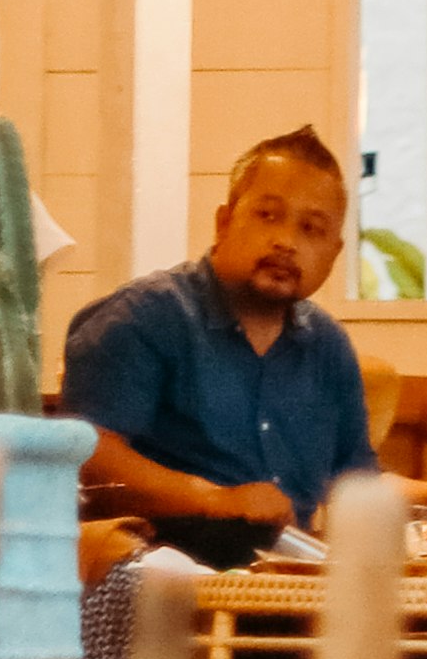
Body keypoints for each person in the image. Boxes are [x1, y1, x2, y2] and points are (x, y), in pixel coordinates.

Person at [61, 128, 373, 573]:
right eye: (268, 216)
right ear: (224, 222)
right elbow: (86, 454)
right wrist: (217, 500)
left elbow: (357, 483)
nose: (286, 241)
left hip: (291, 585)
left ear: (334, 252)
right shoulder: (144, 318)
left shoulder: (328, 347)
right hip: (164, 587)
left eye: (311, 228)